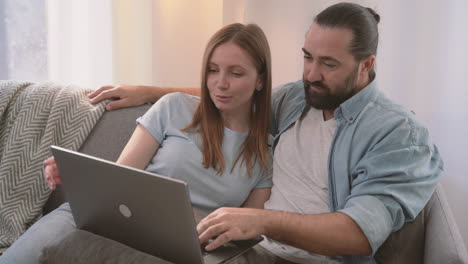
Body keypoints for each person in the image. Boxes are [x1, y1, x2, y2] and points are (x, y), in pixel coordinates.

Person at [84, 3, 444, 264]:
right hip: (249, 252)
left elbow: (360, 233)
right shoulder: (297, 99)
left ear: (366, 64)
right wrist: (149, 92)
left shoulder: (399, 135)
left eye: (328, 64)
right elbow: (231, 92)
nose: (311, 74)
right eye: (307, 58)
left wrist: (260, 220)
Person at [0, 23, 274, 264]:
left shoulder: (266, 151)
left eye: (236, 74)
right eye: (213, 70)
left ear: (260, 80)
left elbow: (246, 229)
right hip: (114, 219)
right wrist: (78, 176)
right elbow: (120, 177)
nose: (220, 83)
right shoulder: (174, 107)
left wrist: (197, 224)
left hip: (178, 246)